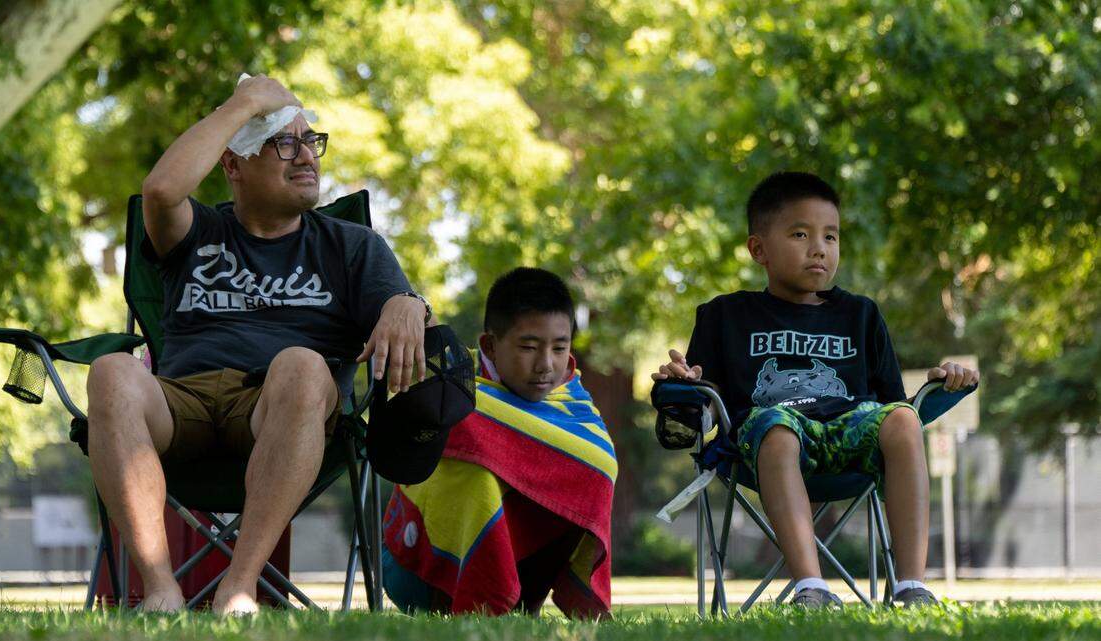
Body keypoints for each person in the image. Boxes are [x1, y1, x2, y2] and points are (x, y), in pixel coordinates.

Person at [86, 74, 431, 614]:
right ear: (233, 166)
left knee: (299, 364)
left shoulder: (350, 246)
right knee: (111, 371)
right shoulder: (195, 233)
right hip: (180, 406)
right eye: (284, 143)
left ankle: (239, 587)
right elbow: (160, 190)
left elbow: (398, 305)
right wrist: (244, 104)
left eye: (310, 141)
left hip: (280, 410)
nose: (307, 158)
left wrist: (408, 303)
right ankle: (159, 590)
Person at [652, 171, 978, 608]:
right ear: (758, 249)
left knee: (903, 419)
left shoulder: (861, 315)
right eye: (801, 233)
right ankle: (812, 587)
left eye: (831, 236)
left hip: (849, 432)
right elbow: (695, 414)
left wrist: (944, 381)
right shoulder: (724, 316)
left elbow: (893, 404)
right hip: (765, 441)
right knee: (777, 428)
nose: (819, 248)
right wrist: (682, 384)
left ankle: (911, 585)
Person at [381, 267, 617, 618]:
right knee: (477, 477)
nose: (546, 365)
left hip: (524, 580)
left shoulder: (573, 402)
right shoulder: (453, 390)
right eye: (529, 347)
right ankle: (481, 603)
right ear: (490, 345)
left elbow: (599, 466)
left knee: (587, 471)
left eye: (559, 348)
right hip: (417, 567)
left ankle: (517, 604)